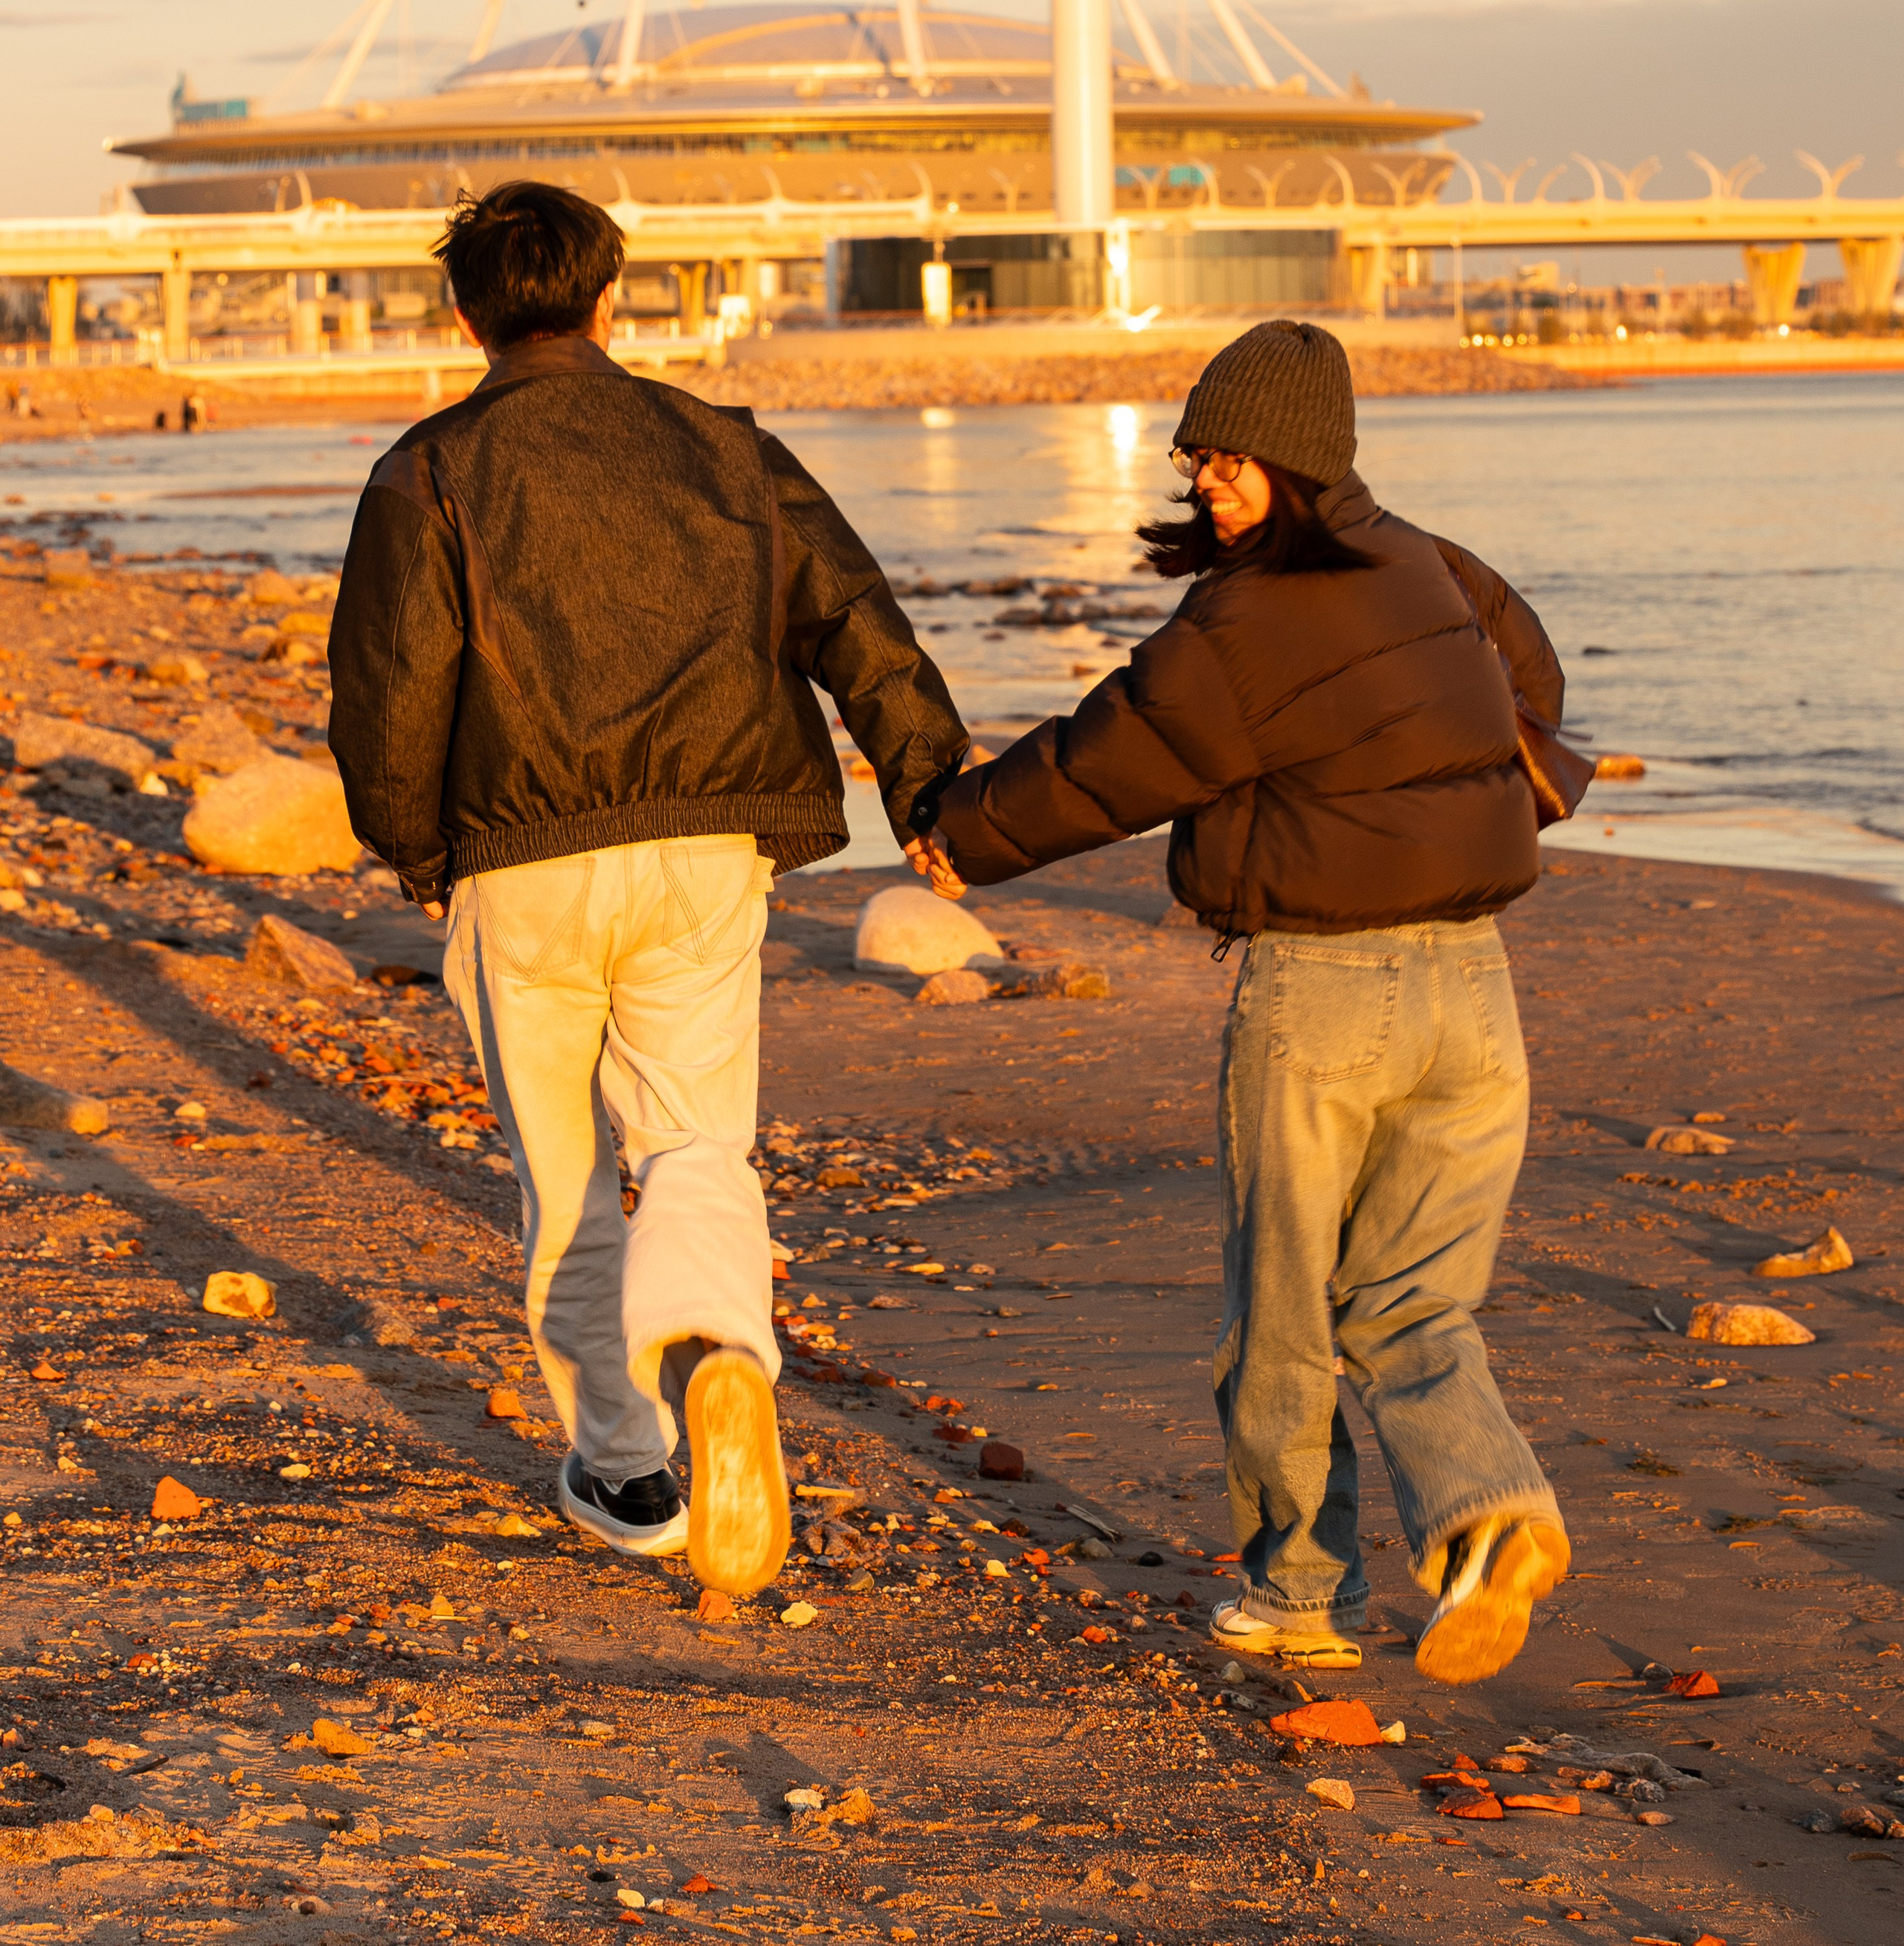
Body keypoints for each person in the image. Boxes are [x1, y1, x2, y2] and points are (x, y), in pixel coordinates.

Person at [329, 181, 965, 1596]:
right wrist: (928, 784)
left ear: (465, 315)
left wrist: (420, 851)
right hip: (703, 848)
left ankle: (627, 1467)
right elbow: (853, 618)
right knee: (694, 1143)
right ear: (611, 299)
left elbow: (387, 694)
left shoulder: (428, 470)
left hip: (521, 861)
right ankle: (723, 1350)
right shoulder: (728, 446)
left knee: (563, 1177)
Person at [918, 320, 1572, 1686]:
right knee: (1408, 1301)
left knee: (1282, 1314)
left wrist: (959, 836)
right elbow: (1529, 681)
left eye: (1231, 459)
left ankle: (1298, 1592)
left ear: (1303, 457)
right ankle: (1492, 1517)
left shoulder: (1246, 622)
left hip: (1326, 996)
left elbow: (1107, 758)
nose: (1207, 481)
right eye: (1198, 457)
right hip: (1475, 988)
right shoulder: (1437, 566)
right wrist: (1468, 784)